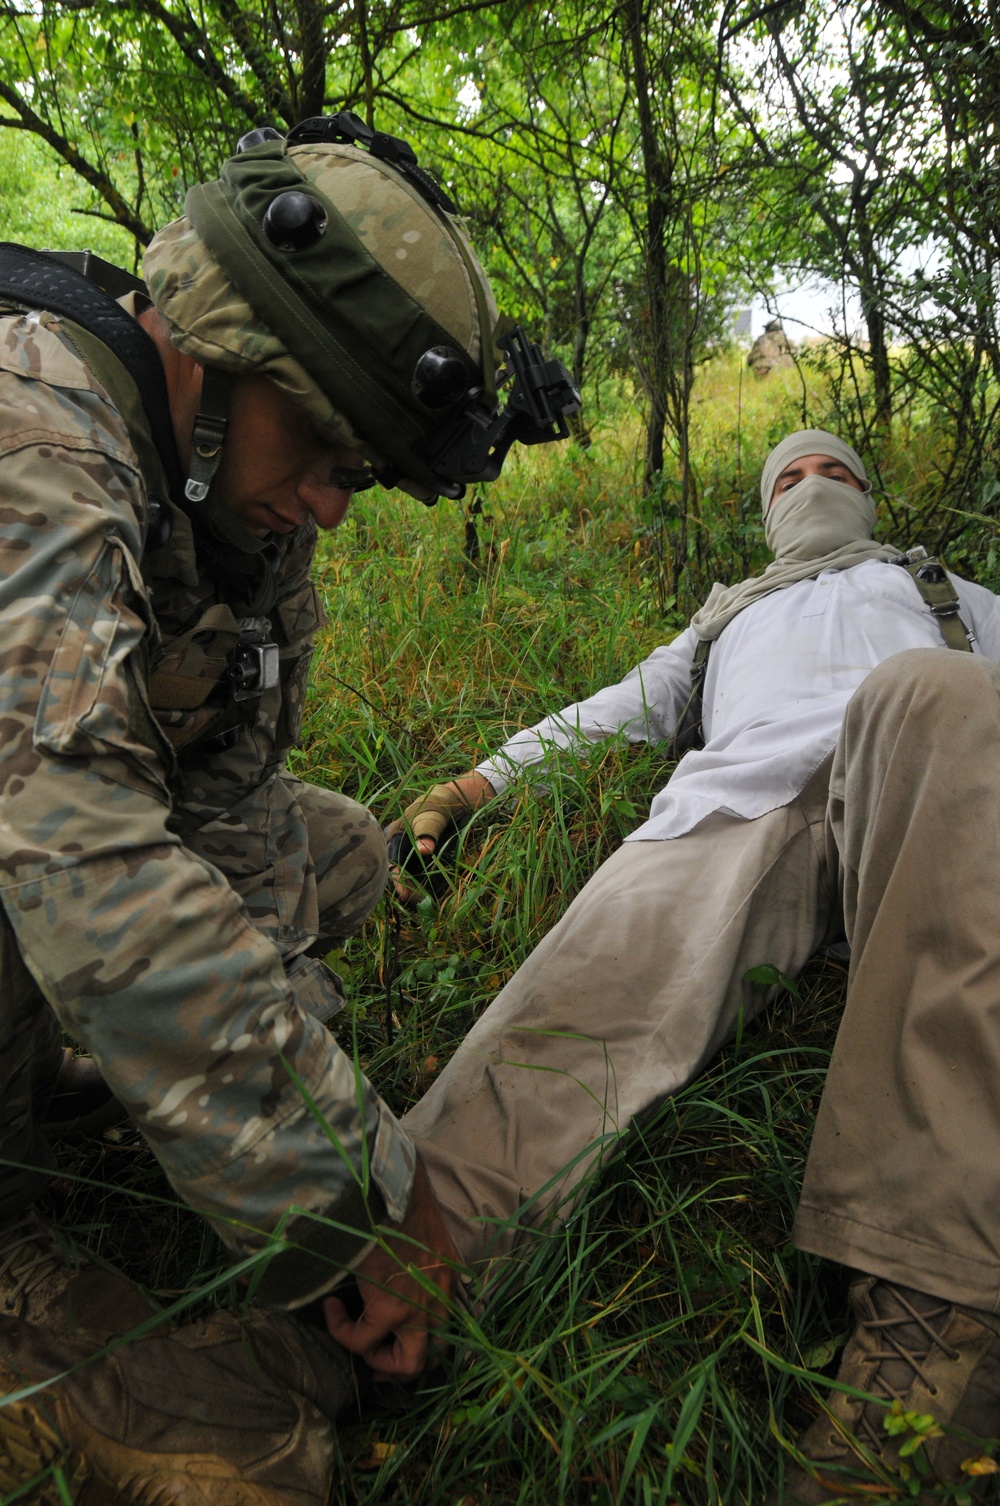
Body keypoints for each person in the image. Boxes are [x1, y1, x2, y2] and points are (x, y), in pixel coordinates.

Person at [0, 113, 577, 1505]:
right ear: (215, 344)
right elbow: (79, 849)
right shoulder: (35, 434)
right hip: (39, 844)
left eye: (359, 473)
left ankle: (86, 1073)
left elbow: (241, 825)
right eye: (320, 442)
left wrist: (326, 1148)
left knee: (338, 845)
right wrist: (341, 1195)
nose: (328, 499)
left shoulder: (240, 524)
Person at [391, 429, 1000, 1502]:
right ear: (764, 513)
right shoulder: (727, 616)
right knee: (578, 1003)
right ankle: (371, 1289)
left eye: (834, 472)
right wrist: (465, 790)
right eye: (789, 478)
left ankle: (929, 1360)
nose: (812, 486)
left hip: (922, 799)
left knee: (934, 695)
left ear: (871, 494)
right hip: (736, 800)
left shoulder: (948, 588)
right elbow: (612, 712)